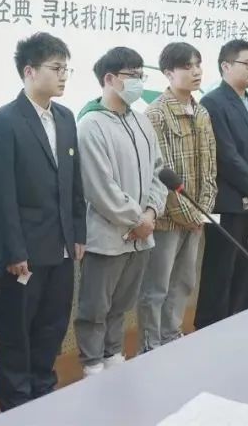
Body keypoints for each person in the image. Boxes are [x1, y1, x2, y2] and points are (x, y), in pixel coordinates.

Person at [0, 33, 86, 411]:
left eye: (66, 69)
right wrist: (13, 251)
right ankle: (15, 405)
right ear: (29, 72)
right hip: (24, 252)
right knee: (17, 332)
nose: (63, 76)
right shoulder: (3, 121)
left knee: (52, 327)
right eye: (56, 68)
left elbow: (74, 183)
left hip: (62, 247)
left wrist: (78, 232)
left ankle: (43, 396)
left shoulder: (66, 117)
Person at [74, 47, 168, 377]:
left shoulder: (141, 120)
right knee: (95, 309)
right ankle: (92, 366)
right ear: (110, 79)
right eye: (133, 75)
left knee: (121, 305)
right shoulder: (90, 124)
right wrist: (136, 219)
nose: (139, 81)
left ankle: (113, 356)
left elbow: (158, 172)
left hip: (141, 235)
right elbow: (99, 186)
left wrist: (151, 213)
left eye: (142, 75)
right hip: (107, 237)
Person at [137, 42, 217, 353]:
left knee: (184, 282)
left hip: (196, 217)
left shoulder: (202, 111)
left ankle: (172, 337)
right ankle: (151, 347)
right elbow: (161, 172)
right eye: (187, 66)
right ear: (168, 73)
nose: (196, 71)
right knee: (156, 287)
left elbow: (210, 166)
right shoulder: (156, 114)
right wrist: (190, 214)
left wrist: (203, 209)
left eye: (198, 65)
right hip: (168, 219)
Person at [194, 39, 248, 329]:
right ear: (226, 66)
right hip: (229, 203)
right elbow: (227, 156)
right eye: (247, 63)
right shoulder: (213, 102)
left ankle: (237, 324)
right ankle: (211, 328)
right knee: (221, 270)